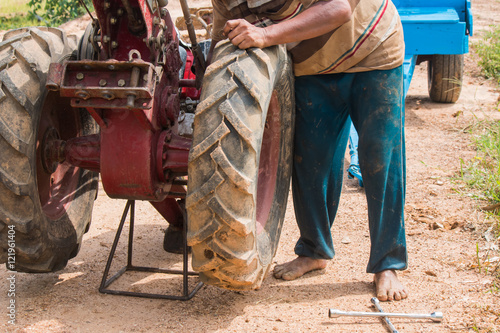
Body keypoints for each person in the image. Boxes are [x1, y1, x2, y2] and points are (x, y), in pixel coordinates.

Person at [209, 0, 408, 302]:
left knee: (381, 159)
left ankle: (387, 264)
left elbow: (339, 8)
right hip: (310, 63)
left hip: (371, 49)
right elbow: (222, 35)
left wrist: (265, 35)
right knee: (311, 161)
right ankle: (315, 250)